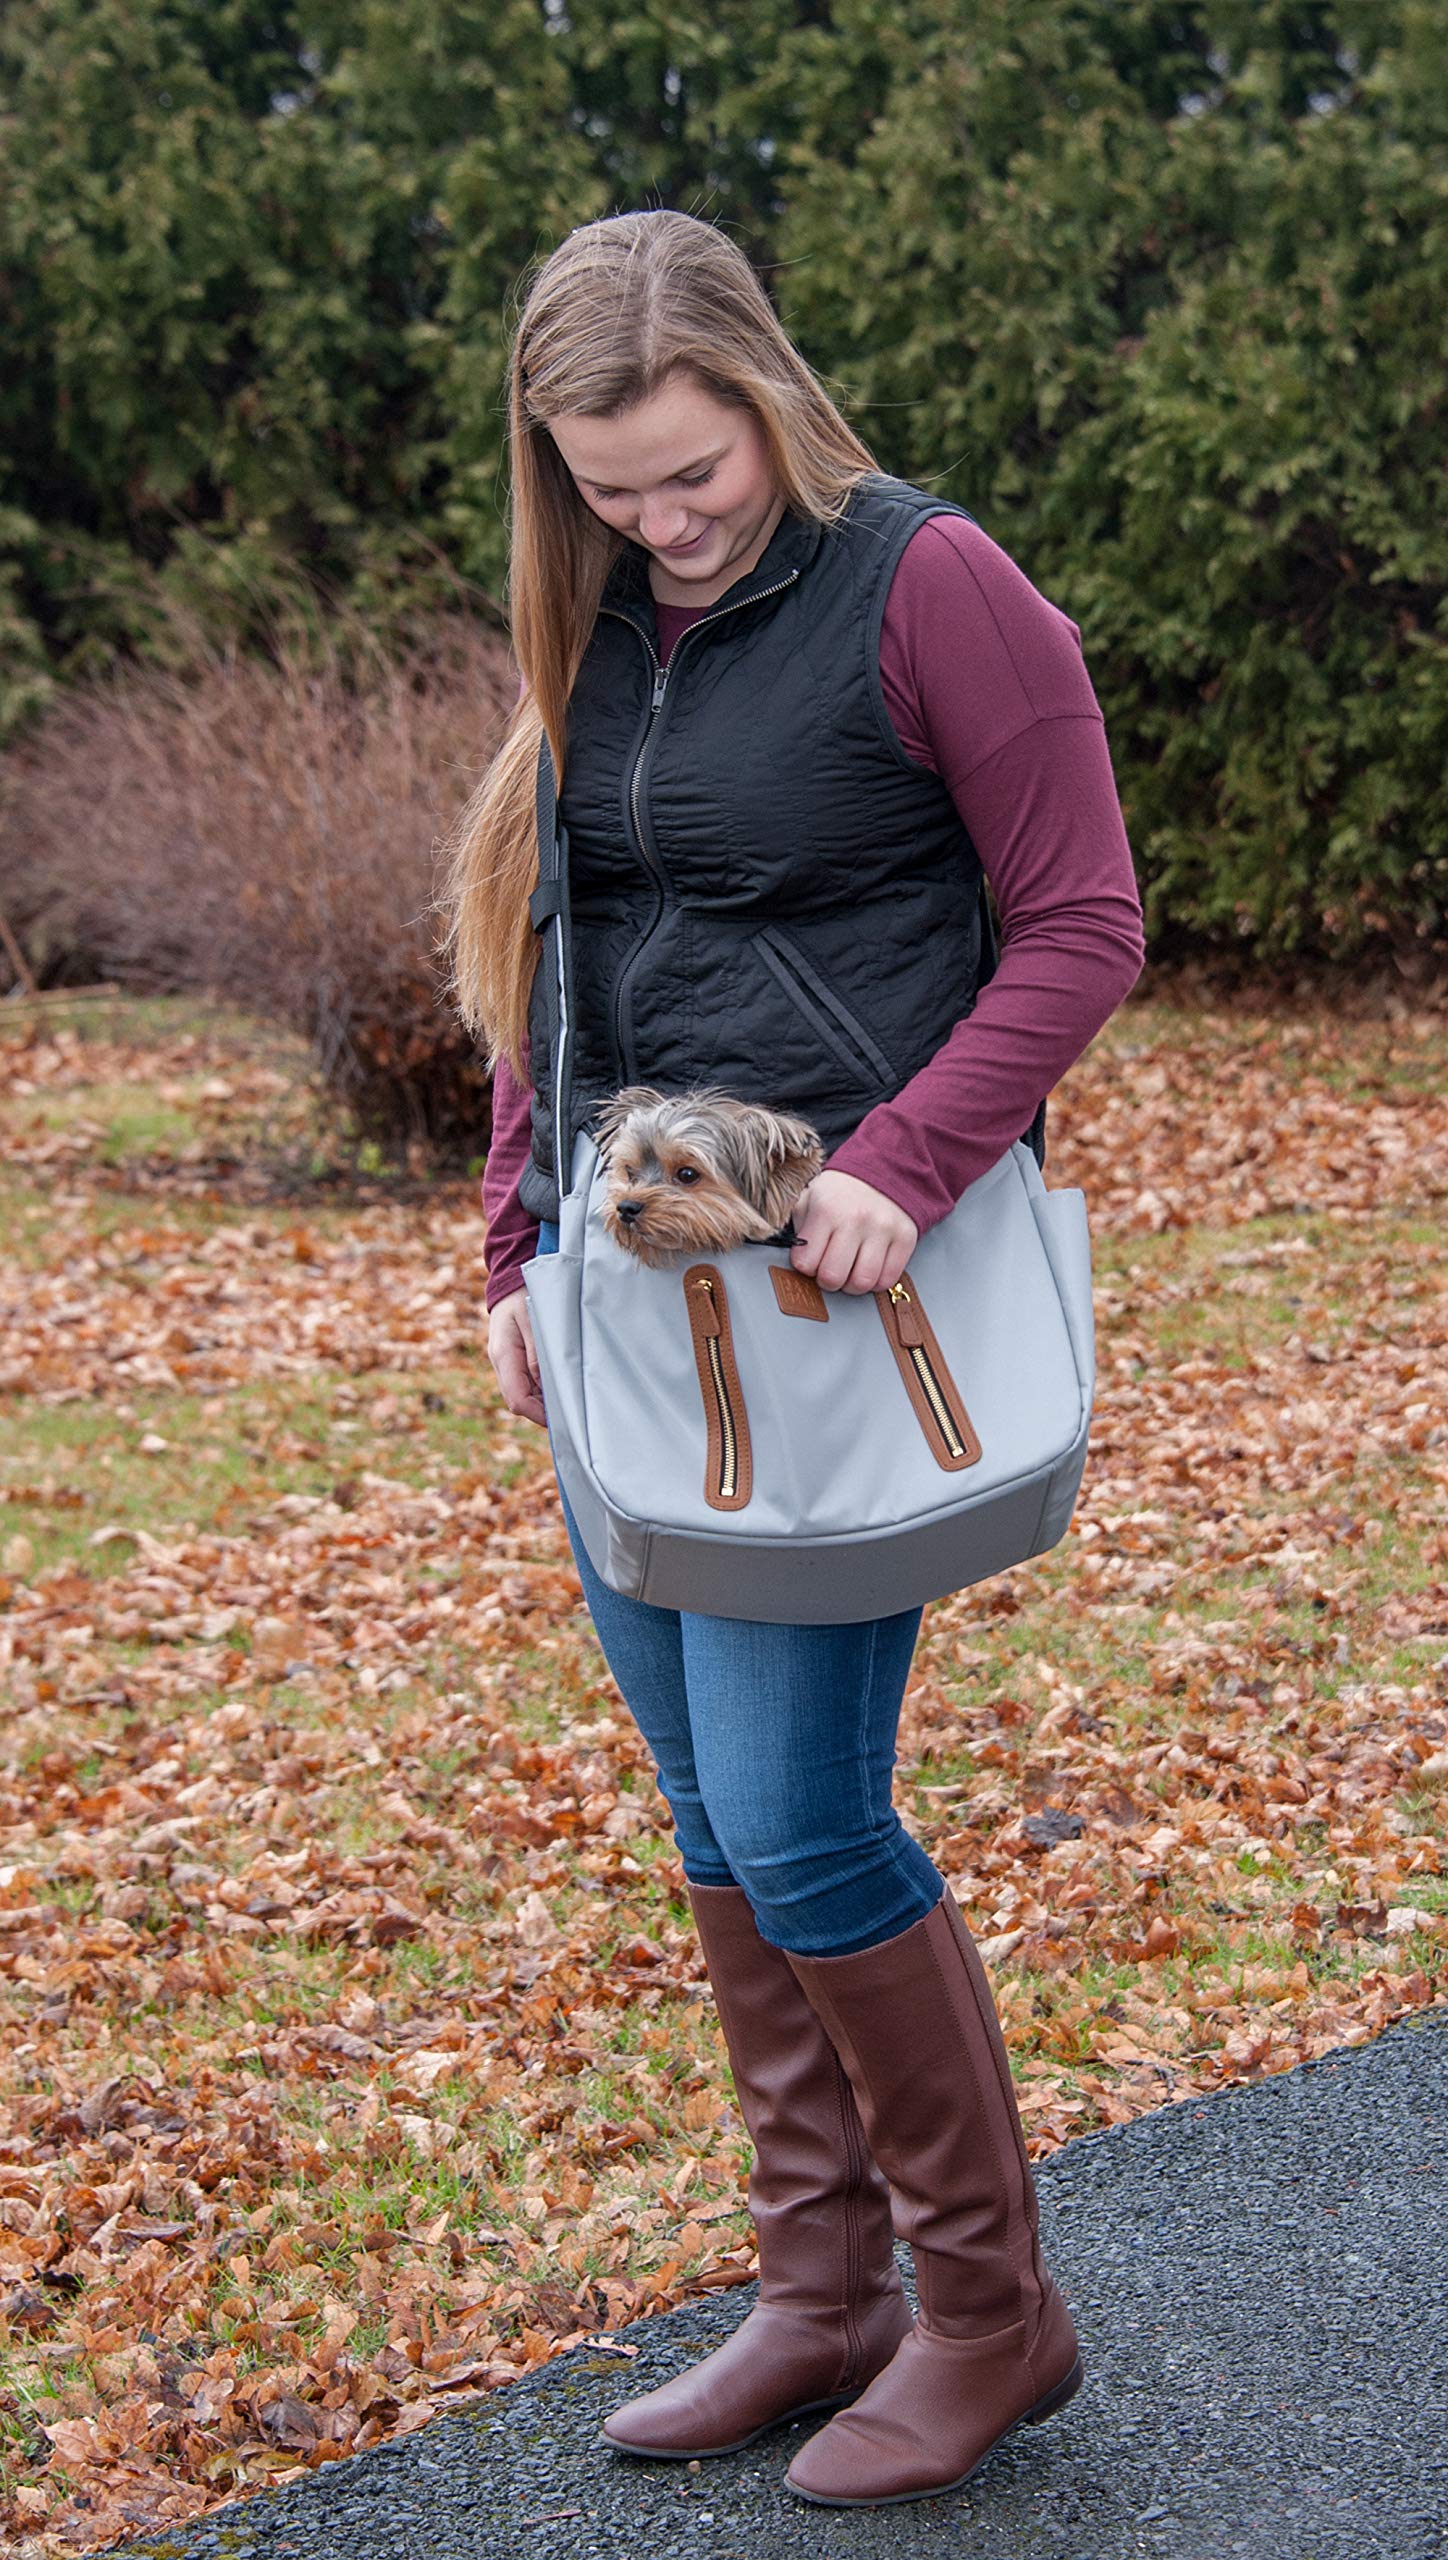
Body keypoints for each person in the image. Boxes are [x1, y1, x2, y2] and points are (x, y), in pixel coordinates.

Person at [443, 208, 1145, 2509]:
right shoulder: (601, 620)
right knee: (703, 1812)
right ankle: (820, 2287)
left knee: (802, 1812)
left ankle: (983, 2311)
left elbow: (1082, 919)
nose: (665, 519)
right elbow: (557, 956)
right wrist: (512, 1251)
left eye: (692, 468)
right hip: (623, 1306)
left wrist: (914, 1156)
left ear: (762, 388)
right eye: (611, 484)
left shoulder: (931, 583)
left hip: (844, 1301)